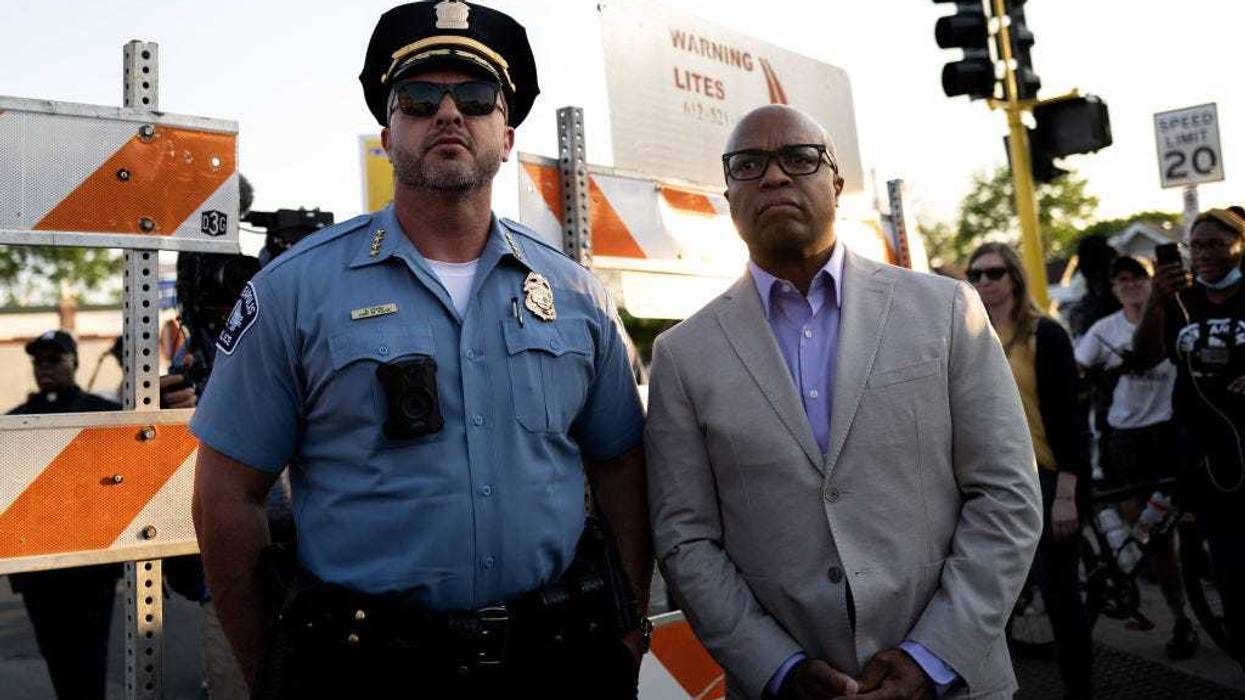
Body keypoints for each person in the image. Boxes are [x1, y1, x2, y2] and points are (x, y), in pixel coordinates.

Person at [189, 2, 651, 698]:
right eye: (417, 97)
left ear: (506, 134)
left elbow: (620, 466)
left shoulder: (576, 295)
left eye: (474, 97)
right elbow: (226, 497)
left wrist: (628, 625)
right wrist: (270, 673)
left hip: (559, 658)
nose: (447, 113)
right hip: (366, 668)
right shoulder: (294, 291)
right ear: (387, 132)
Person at [645, 105, 1042, 700]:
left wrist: (931, 655)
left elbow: (1007, 493)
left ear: (835, 183)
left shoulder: (945, 312)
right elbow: (685, 537)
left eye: (798, 159)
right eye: (748, 165)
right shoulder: (683, 354)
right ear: (728, 196)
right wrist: (776, 667)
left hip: (953, 680)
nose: (774, 177)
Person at [967, 242, 1094, 698]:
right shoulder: (969, 337)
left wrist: (1066, 491)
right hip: (990, 483)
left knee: (1060, 597)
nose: (984, 283)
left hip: (1046, 476)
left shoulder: (1046, 335)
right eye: (975, 275)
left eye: (994, 273)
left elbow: (1070, 419)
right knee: (988, 600)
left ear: (1015, 278)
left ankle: (1080, 690)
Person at [1133, 206, 1245, 672]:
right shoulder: (1182, 300)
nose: (1204, 255)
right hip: (1206, 461)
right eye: (1195, 246)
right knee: (1232, 572)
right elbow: (1146, 355)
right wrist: (1156, 303)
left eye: (1217, 244)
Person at [1074, 255, 1198, 660]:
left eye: (1138, 278)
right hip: (1125, 442)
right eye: (1121, 281)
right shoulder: (1103, 330)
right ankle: (1171, 612)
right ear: (1113, 289)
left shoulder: (1175, 318)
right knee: (1149, 541)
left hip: (1170, 434)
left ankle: (1184, 612)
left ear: (1153, 282)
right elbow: (1075, 372)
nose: (1130, 286)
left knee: (1174, 533)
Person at [5, 330, 123, 699]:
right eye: (39, 361)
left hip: (90, 569)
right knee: (56, 655)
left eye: (54, 359)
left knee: (89, 658)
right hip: (38, 570)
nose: (45, 368)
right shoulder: (14, 422)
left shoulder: (104, 416)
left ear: (74, 362)